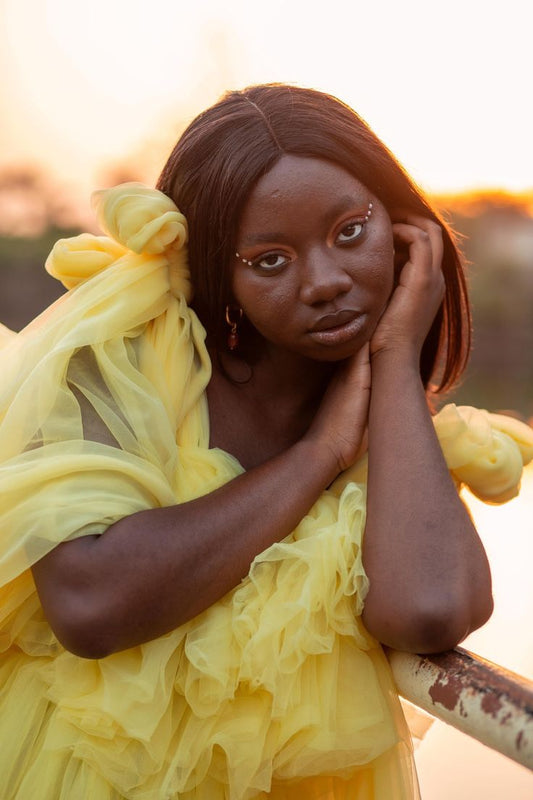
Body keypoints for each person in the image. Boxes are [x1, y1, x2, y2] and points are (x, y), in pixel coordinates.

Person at [1, 84, 532, 800]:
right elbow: (90, 607)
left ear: (405, 231)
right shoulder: (116, 365)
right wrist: (318, 455)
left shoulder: (393, 416)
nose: (325, 282)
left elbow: (431, 608)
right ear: (215, 270)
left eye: (351, 232)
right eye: (269, 260)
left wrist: (398, 358)